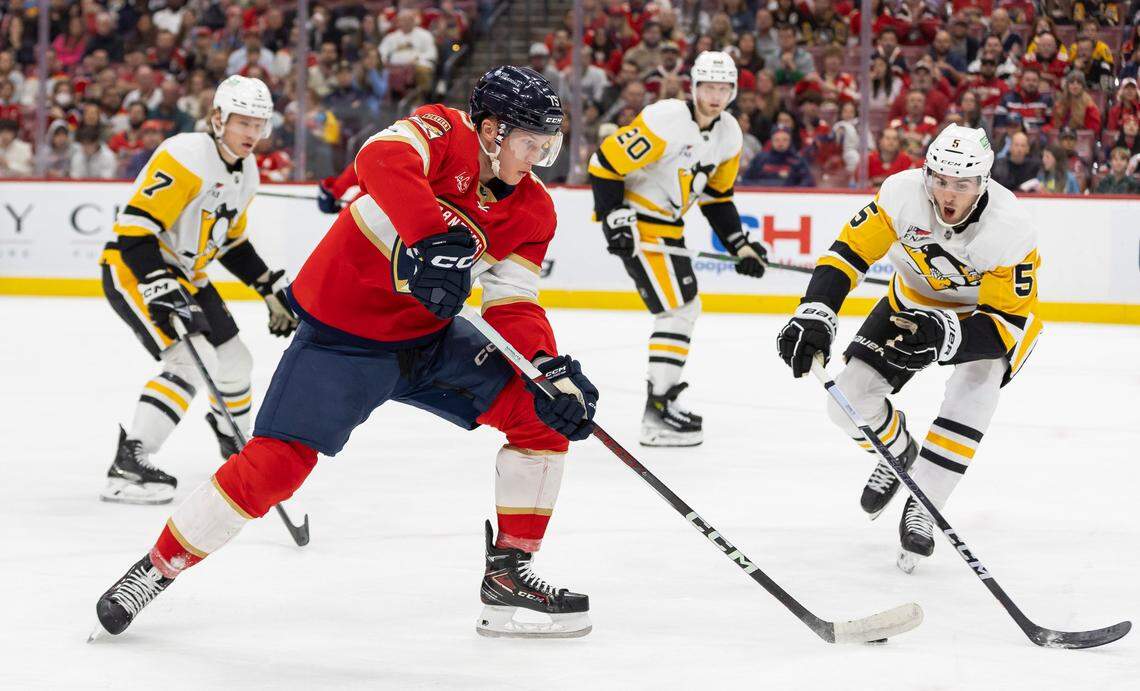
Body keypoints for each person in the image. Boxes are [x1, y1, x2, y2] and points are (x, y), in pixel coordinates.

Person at [94, 66, 599, 640]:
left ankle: (508, 578)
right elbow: (377, 160)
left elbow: (514, 303)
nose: (538, 156)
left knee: (541, 418)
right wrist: (429, 236)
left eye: (547, 144)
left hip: (429, 341)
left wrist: (546, 369)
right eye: (531, 142)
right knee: (273, 469)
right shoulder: (441, 132)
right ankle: (154, 570)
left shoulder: (534, 210)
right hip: (342, 340)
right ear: (489, 130)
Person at [777, 125, 1042, 574]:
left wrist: (943, 336)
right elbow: (848, 253)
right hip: (911, 302)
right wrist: (815, 310)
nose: (947, 194)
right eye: (940, 179)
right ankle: (899, 450)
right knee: (845, 406)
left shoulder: (1011, 228)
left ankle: (925, 502)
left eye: (961, 184)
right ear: (926, 173)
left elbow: (1004, 324)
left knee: (975, 391)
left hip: (983, 321)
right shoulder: (901, 194)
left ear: (983, 182)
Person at [95, 76, 298, 505]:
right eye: (243, 122)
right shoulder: (185, 154)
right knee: (193, 359)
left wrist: (267, 287)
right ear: (218, 118)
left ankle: (234, 444)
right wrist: (158, 283)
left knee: (236, 363)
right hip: (134, 267)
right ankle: (129, 462)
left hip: (188, 275)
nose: (252, 134)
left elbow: (232, 242)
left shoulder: (247, 170)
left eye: (259, 124)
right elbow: (134, 232)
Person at [588, 51, 767, 447]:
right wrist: (613, 217)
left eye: (723, 88)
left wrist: (741, 246)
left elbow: (718, 199)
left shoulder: (729, 134)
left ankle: (661, 403)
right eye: (708, 86)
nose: (715, 95)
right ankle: (657, 411)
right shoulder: (665, 119)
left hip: (669, 227)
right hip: (640, 225)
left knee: (683, 308)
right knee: (679, 309)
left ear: (733, 91)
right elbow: (604, 164)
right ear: (694, 87)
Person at [740, 124, 815, 186]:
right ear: (771, 141)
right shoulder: (760, 159)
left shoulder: (798, 161)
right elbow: (746, 180)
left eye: (785, 140)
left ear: (790, 141)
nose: (781, 143)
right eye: (777, 139)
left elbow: (808, 182)